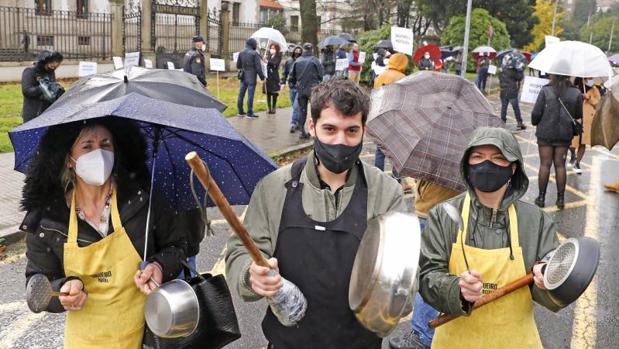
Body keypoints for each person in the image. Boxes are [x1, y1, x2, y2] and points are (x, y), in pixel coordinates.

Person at [225, 78, 406, 349]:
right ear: (312, 126)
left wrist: (395, 298)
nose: (340, 142)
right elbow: (241, 250)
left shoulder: (386, 193)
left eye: (351, 131)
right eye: (330, 129)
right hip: (288, 341)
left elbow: (402, 274)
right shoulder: (275, 187)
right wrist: (251, 274)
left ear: (364, 131)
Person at [22, 119, 188, 348]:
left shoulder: (142, 201)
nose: (98, 155)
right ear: (69, 159)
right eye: (87, 146)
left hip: (146, 336)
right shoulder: (49, 220)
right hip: (84, 341)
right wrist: (61, 291)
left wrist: (159, 266)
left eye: (106, 145)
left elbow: (178, 245)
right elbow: (36, 282)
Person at [419, 127, 564, 349]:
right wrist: (456, 290)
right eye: (478, 157)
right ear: (467, 165)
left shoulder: (536, 220)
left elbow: (553, 287)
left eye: (498, 158)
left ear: (514, 168)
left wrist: (548, 280)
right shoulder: (443, 215)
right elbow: (427, 275)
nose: (487, 165)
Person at [388, 180, 460, 349]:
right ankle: (428, 333)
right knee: (440, 274)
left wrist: (417, 185)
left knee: (427, 276)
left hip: (432, 212)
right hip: (447, 213)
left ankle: (422, 336)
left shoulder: (445, 159)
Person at [531, 74, 583, 209]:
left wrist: (534, 122)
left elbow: (536, 113)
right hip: (564, 135)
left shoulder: (545, 90)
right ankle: (560, 199)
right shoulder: (576, 92)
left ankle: (541, 197)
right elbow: (578, 114)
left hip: (545, 133)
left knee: (545, 164)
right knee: (560, 165)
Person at [373, 53, 408, 189]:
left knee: (380, 150)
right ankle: (396, 179)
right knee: (397, 151)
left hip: (381, 116)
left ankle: (378, 177)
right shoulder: (404, 78)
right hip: (396, 119)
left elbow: (375, 95)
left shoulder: (380, 76)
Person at [288, 42, 323, 139]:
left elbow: (292, 76)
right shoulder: (315, 60)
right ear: (311, 49)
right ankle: (315, 131)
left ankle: (302, 132)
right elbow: (321, 75)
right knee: (314, 111)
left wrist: (293, 84)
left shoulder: (297, 61)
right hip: (313, 89)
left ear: (303, 49)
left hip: (301, 90)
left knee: (302, 111)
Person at [568, 77, 601, 175]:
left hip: (587, 120)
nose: (590, 79)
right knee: (572, 142)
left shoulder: (594, 89)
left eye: (591, 78)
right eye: (588, 78)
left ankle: (577, 163)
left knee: (583, 143)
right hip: (575, 118)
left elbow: (599, 104)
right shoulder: (574, 87)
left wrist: (589, 98)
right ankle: (573, 156)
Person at [21, 50, 64, 122]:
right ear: (45, 61)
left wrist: (56, 90)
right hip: (33, 111)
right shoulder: (30, 71)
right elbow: (26, 91)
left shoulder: (50, 72)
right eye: (52, 62)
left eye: (57, 63)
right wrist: (43, 88)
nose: (55, 65)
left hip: (47, 111)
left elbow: (51, 90)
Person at [237, 38, 266, 118]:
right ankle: (249, 113)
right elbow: (258, 68)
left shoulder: (241, 52)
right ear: (253, 44)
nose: (256, 45)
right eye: (256, 44)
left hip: (243, 76)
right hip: (252, 77)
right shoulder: (254, 53)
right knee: (250, 95)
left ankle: (240, 112)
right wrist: (262, 78)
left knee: (241, 94)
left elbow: (238, 65)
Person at [499, 53, 526, 130]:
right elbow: (520, 78)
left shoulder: (501, 70)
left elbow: (500, 79)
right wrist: (521, 70)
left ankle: (502, 122)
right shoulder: (513, 70)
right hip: (512, 92)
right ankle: (519, 122)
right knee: (516, 108)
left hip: (503, 91)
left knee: (504, 107)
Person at [282, 46, 303, 133]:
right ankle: (298, 122)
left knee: (296, 106)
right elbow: (284, 73)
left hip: (299, 87)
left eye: (299, 51)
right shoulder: (289, 61)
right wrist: (282, 82)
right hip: (291, 86)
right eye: (296, 51)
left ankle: (293, 124)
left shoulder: (302, 61)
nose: (297, 52)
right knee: (295, 106)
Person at [265, 43, 283, 115]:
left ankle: (274, 107)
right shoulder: (269, 56)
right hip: (268, 76)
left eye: (273, 48)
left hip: (274, 76)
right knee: (268, 92)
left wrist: (268, 62)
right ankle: (268, 107)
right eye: (271, 48)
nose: (272, 50)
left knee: (274, 92)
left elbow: (275, 64)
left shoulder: (278, 56)